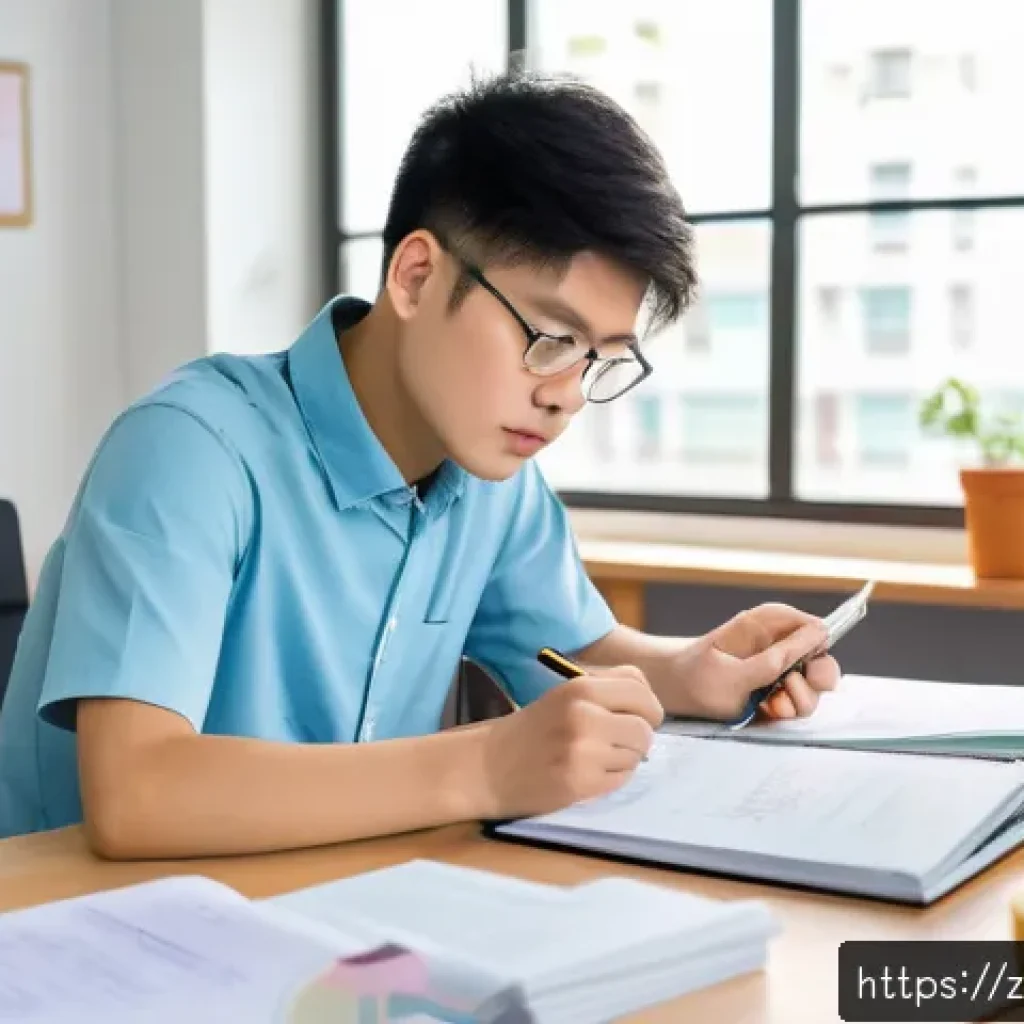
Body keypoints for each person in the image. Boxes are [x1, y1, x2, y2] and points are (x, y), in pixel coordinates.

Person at [0, 71, 838, 856]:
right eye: (551, 338)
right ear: (415, 275)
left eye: (599, 358)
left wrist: (691, 671)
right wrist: (485, 765)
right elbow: (137, 791)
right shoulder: (189, 450)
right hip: (76, 927)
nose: (566, 397)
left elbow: (573, 652)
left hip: (329, 908)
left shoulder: (490, 476)